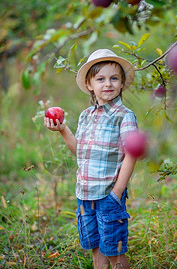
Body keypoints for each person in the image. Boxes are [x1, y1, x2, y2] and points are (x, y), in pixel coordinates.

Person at [44, 49, 138, 269]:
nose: (108, 84)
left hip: (108, 195)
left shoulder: (124, 116)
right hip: (85, 195)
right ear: (89, 84)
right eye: (101, 79)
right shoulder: (86, 115)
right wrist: (63, 129)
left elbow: (132, 155)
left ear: (122, 83)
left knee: (114, 250)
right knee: (95, 247)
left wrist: (117, 192)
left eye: (114, 78)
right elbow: (81, 152)